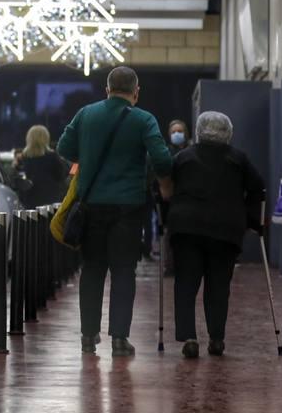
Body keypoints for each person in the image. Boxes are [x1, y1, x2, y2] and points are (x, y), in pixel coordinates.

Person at [56, 66, 173, 357]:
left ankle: (88, 336)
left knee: (93, 269)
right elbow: (162, 158)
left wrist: (90, 159)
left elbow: (63, 147)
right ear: (136, 91)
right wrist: (162, 181)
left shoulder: (86, 114)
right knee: (124, 271)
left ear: (106, 90)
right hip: (128, 208)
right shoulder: (144, 119)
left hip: (91, 205)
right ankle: (119, 339)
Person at [165, 111, 266, 359]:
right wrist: (253, 221)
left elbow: (167, 189)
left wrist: (168, 217)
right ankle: (217, 338)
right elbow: (258, 187)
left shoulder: (183, 157)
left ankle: (189, 337)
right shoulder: (238, 159)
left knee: (186, 284)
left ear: (198, 131)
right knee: (219, 286)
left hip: (187, 229)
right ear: (228, 132)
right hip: (225, 231)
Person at [156, 119, 191, 275]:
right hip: (170, 200)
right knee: (170, 234)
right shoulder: (167, 152)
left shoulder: (191, 151)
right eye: (173, 132)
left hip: (188, 198)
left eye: (180, 131)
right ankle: (170, 266)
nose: (177, 134)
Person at [19, 124, 68, 208]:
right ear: (45, 139)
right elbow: (62, 175)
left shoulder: (23, 159)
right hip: (52, 200)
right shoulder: (53, 157)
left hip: (30, 201)